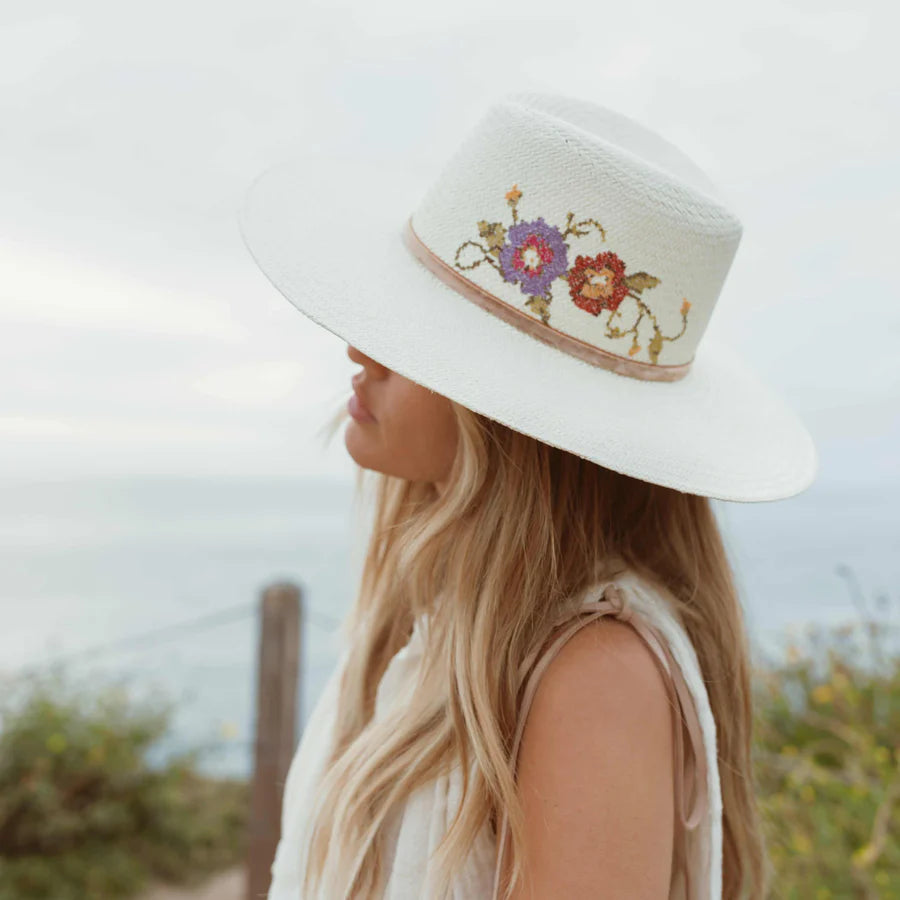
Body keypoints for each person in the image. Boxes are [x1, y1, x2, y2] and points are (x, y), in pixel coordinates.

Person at [238, 91, 817, 899]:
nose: (359, 348)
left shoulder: (593, 677)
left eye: (418, 337)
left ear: (511, 419)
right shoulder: (440, 611)